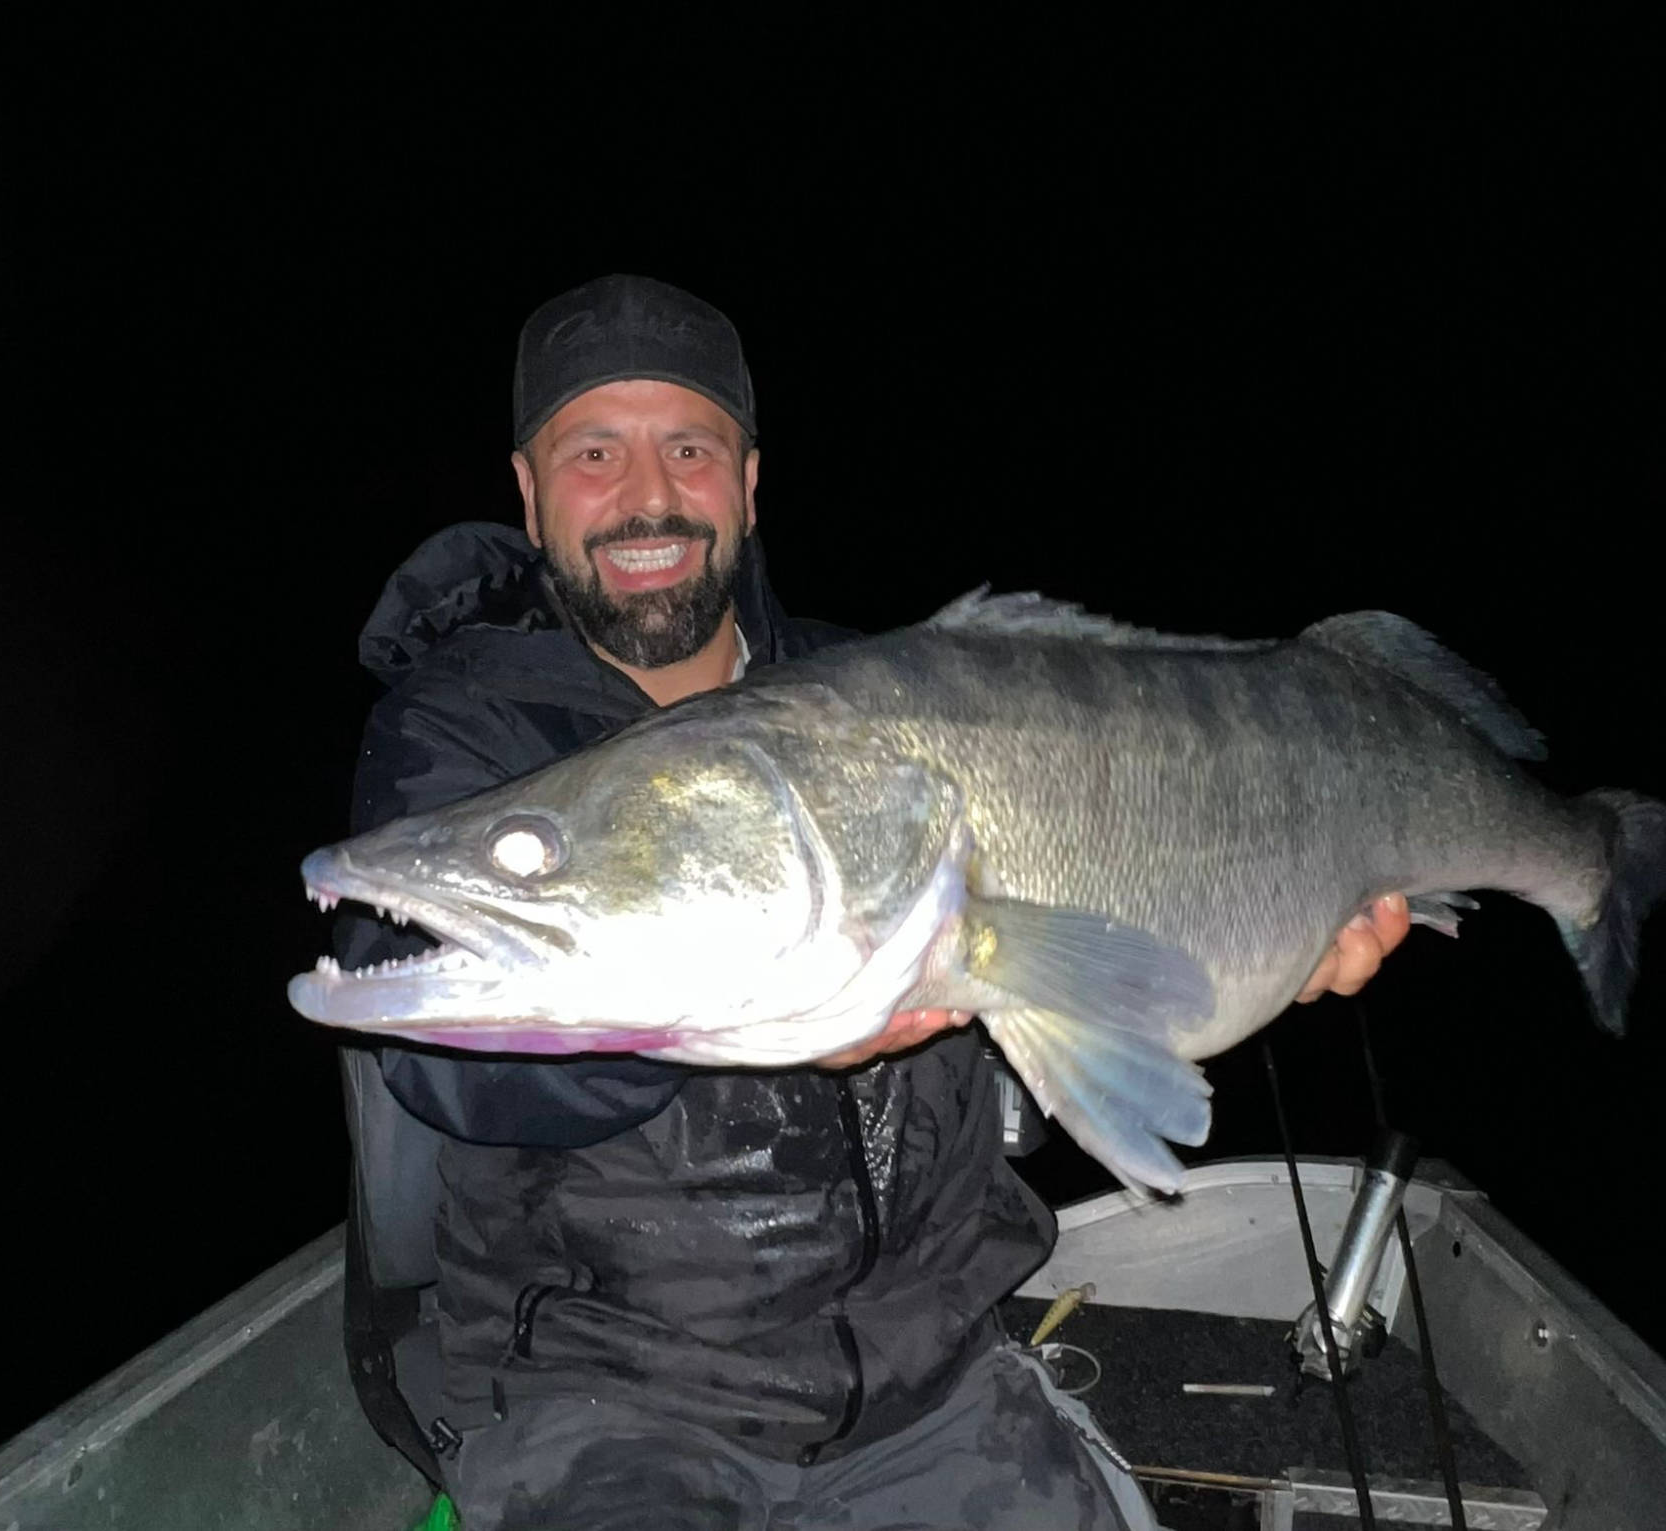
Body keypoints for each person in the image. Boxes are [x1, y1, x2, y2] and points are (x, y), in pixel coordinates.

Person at [333, 273, 1410, 1531]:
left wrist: (1276, 936)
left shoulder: (876, 691)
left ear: (747, 483)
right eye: (593, 453)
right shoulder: (461, 732)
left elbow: (1053, 986)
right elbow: (446, 1060)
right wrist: (734, 1018)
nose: (646, 496)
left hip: (934, 1382)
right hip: (605, 1403)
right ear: (528, 493)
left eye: (690, 448)